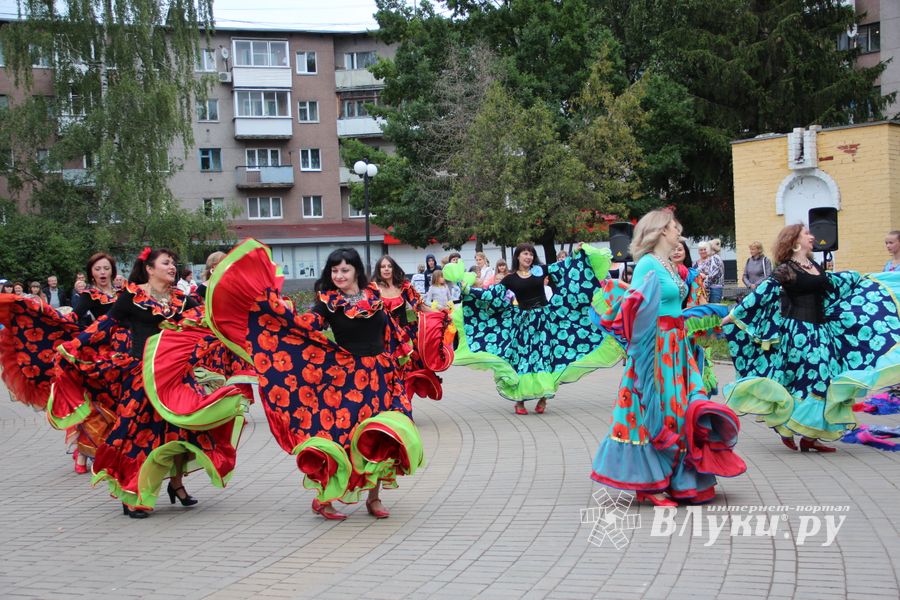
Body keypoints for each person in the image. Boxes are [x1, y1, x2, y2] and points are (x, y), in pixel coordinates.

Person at [206, 242, 424, 521]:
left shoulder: (374, 294)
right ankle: (325, 499)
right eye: (334, 271)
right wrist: (277, 312)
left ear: (356, 270)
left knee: (382, 435)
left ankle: (374, 497)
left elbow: (391, 331)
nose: (339, 276)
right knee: (339, 438)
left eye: (345, 270)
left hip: (381, 376)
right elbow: (305, 326)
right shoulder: (327, 302)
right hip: (347, 380)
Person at [68, 248, 245, 518]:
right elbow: (107, 322)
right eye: (166, 263)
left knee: (181, 430)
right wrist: (76, 344)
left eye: (173, 263)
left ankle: (177, 485)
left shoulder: (181, 298)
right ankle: (132, 493)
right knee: (136, 436)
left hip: (174, 376)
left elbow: (209, 318)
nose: (172, 267)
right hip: (140, 374)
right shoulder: (133, 295)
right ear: (150, 269)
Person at [591, 210, 745, 506]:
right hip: (655, 349)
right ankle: (649, 485)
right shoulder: (647, 264)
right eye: (675, 228)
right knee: (657, 410)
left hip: (676, 347)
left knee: (681, 409)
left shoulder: (670, 265)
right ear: (661, 231)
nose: (680, 234)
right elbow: (634, 309)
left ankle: (678, 479)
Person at [722, 224, 900, 452]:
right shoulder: (786, 269)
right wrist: (733, 315)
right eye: (806, 233)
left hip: (822, 331)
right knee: (811, 379)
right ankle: (786, 426)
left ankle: (809, 437)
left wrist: (861, 280)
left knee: (823, 380)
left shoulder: (814, 265)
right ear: (795, 241)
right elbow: (762, 292)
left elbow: (832, 286)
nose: (812, 236)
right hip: (798, 333)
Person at [445, 242, 623, 415]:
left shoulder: (540, 271)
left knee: (546, 358)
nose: (528, 256)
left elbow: (566, 267)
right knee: (525, 359)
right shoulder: (510, 278)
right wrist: (468, 289)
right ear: (518, 256)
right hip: (524, 324)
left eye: (531, 253)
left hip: (545, 322)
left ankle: (543, 399)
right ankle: (519, 401)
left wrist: (578, 254)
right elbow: (491, 295)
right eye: (525, 253)